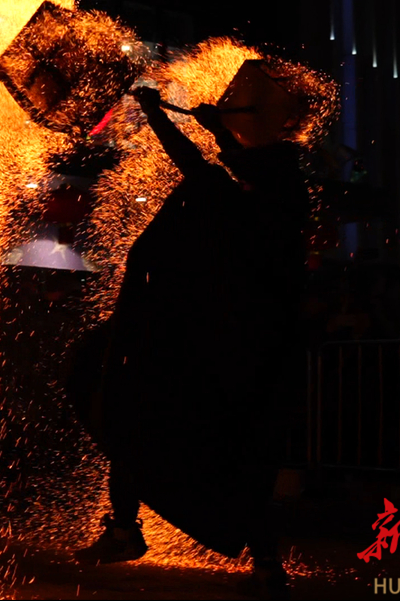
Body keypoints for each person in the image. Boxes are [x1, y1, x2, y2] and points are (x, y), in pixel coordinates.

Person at [71, 86, 309, 599]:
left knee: (142, 422)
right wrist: (216, 127)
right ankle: (259, 562)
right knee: (229, 452)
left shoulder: (233, 205)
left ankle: (128, 531)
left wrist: (158, 114)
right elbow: (231, 162)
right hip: (243, 350)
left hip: (207, 350)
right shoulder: (277, 209)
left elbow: (196, 163)